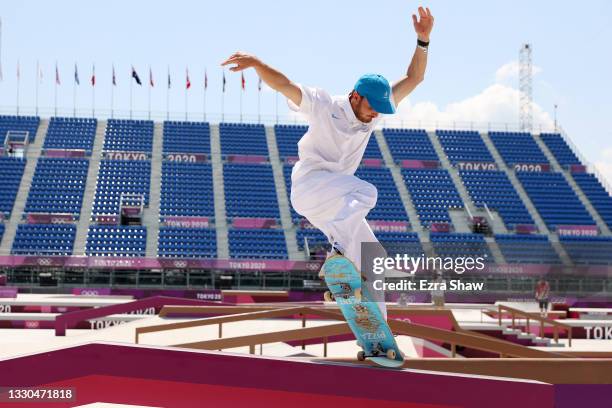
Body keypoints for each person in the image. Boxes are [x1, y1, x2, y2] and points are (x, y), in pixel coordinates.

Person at [222, 7, 434, 319]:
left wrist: (423, 41)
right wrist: (257, 63)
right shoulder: (323, 105)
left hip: (335, 201)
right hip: (310, 185)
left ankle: (376, 333)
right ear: (355, 96)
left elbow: (415, 77)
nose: (375, 115)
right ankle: (338, 254)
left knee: (374, 256)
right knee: (367, 193)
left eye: (379, 110)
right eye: (372, 108)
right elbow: (285, 85)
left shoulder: (372, 115)